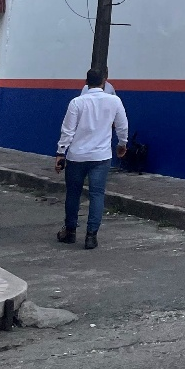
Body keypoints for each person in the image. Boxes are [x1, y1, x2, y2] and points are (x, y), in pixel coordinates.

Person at [55, 69, 129, 249]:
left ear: (86, 82)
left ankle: (70, 231)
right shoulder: (114, 101)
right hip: (101, 157)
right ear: (105, 81)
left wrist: (60, 153)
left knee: (73, 194)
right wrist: (122, 144)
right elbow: (122, 126)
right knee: (97, 194)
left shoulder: (76, 103)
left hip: (76, 157)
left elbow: (67, 131)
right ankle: (91, 236)